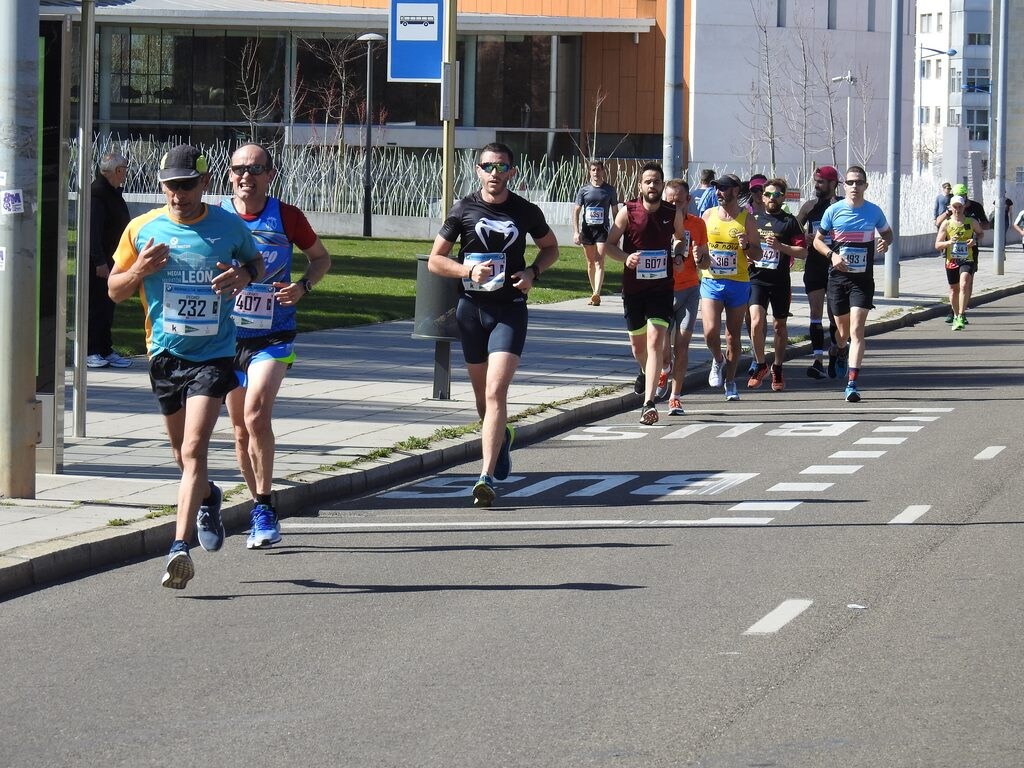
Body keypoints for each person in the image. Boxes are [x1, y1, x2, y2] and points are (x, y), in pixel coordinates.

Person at [108, 144, 264, 589]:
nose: (179, 195)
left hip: (214, 356)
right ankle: (210, 495)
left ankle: (178, 548)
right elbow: (115, 292)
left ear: (205, 183)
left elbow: (257, 261)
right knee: (180, 456)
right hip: (164, 356)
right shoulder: (142, 228)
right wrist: (138, 269)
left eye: (187, 186)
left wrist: (245, 276)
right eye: (171, 187)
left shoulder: (227, 226)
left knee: (195, 450)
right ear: (162, 187)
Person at [427, 142, 559, 507]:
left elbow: (551, 248)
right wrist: (467, 269)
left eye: (502, 168)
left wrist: (533, 271)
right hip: (471, 309)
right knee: (482, 398)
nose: (495, 174)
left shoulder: (525, 210)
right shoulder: (463, 209)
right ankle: (501, 439)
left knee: (496, 392)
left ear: (512, 173)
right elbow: (435, 261)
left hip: (510, 310)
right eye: (488, 167)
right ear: (478, 171)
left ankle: (484, 477)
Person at [222, 143, 332, 549]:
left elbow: (321, 259)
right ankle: (257, 506)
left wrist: (303, 286)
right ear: (229, 174)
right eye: (238, 169)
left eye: (255, 169)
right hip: (225, 338)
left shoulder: (286, 215)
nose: (246, 176)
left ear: (271, 174)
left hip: (273, 333)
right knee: (237, 431)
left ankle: (266, 505)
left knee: (255, 415)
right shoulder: (215, 216)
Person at [600, 161, 685, 424]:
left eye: (656, 181)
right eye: (647, 181)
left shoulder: (673, 212)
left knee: (655, 342)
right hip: (634, 289)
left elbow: (681, 237)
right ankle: (645, 370)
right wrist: (625, 258)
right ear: (640, 185)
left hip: (661, 288)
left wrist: (679, 252)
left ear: (662, 185)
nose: (652, 185)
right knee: (638, 348)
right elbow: (608, 245)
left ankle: (648, 403)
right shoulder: (628, 212)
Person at [812, 165, 893, 403]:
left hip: (862, 280)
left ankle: (852, 383)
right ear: (844, 186)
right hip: (838, 278)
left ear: (866, 186)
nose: (855, 187)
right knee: (843, 332)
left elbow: (888, 234)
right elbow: (817, 241)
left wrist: (884, 243)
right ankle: (838, 350)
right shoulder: (833, 211)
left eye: (859, 182)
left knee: (857, 330)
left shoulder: (874, 211)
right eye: (850, 182)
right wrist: (832, 256)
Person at [699, 173, 760, 401]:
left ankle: (731, 382)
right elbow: (701, 249)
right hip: (712, 280)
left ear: (735, 191)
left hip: (738, 282)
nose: (719, 192)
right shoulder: (708, 215)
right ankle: (718, 359)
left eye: (724, 188)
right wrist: (699, 255)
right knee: (710, 331)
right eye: (717, 188)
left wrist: (747, 246)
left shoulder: (747, 219)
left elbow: (758, 253)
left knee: (733, 336)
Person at [747, 178, 806, 392]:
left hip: (780, 281)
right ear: (762, 197)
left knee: (779, 326)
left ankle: (777, 367)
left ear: (783, 197)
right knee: (756, 322)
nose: (772, 198)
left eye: (777, 195)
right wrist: (746, 254)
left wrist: (780, 246)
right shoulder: (752, 219)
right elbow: (744, 247)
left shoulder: (790, 221)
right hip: (757, 279)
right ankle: (761, 363)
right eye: (768, 194)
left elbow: (803, 252)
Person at [663, 180, 709, 415]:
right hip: (663, 290)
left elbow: (706, 262)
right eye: (669, 201)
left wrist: (701, 257)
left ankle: (675, 397)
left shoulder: (698, 224)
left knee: (682, 346)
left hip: (689, 289)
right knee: (662, 345)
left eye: (678, 201)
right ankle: (664, 366)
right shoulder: (659, 222)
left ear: (688, 200)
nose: (674, 205)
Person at [87, 151, 133, 369]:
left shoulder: (113, 193)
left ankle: (105, 349)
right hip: (100, 263)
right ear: (116, 171)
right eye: (124, 169)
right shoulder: (97, 194)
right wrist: (99, 262)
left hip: (113, 260)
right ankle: (91, 350)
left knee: (108, 306)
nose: (126, 173)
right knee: (96, 306)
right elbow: (92, 232)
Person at [795, 165, 841, 379]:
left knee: (835, 316)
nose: (817, 186)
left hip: (836, 266)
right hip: (814, 264)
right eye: (816, 181)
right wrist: (803, 239)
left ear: (833, 184)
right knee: (815, 313)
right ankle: (817, 361)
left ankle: (835, 353)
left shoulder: (842, 205)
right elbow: (793, 232)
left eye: (821, 182)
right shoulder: (809, 207)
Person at [935, 183, 990, 321]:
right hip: (951, 254)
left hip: (970, 251)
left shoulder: (976, 208)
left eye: (961, 197)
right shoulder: (950, 211)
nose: (958, 208)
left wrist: (975, 232)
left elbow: (985, 226)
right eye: (955, 197)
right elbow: (937, 223)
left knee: (966, 282)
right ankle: (954, 311)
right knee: (954, 287)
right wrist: (949, 212)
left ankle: (962, 312)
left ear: (966, 198)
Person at [572, 159, 619, 306]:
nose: (596, 172)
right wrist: (576, 231)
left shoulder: (610, 190)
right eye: (593, 169)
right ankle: (594, 292)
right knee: (590, 262)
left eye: (598, 169)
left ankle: (596, 293)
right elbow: (576, 211)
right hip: (587, 230)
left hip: (602, 230)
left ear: (603, 171)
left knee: (599, 261)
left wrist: (616, 233)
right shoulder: (583, 190)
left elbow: (615, 212)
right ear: (589, 172)